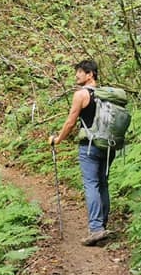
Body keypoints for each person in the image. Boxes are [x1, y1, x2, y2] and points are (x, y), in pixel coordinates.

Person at [48, 59, 114, 246]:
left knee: (91, 185)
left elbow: (70, 122)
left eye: (79, 72)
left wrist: (58, 139)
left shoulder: (81, 95)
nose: (76, 75)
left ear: (89, 74)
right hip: (108, 145)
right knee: (103, 184)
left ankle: (96, 229)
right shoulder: (107, 95)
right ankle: (102, 224)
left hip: (90, 147)